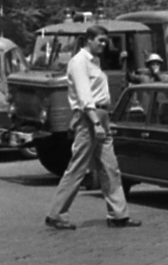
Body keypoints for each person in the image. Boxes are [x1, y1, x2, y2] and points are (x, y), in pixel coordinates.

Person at [44, 25, 141, 230]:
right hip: (91, 118)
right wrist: (94, 122)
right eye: (100, 40)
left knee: (110, 167)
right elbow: (84, 95)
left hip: (101, 115)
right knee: (78, 167)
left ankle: (118, 214)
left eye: (106, 41)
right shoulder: (79, 62)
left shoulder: (94, 61)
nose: (104, 45)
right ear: (88, 40)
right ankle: (57, 214)